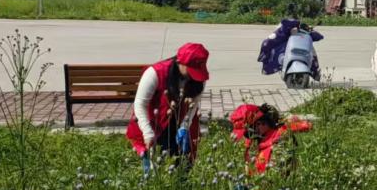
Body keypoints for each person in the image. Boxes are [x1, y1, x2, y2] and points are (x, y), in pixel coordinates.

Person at [126, 42, 210, 170]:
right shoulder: (155, 73)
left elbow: (194, 105)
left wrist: (185, 127)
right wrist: (148, 133)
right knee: (153, 167)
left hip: (179, 122)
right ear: (180, 62)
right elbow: (140, 104)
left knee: (182, 165)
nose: (192, 76)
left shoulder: (198, 79)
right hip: (153, 123)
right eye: (191, 70)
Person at [229, 103, 312, 177]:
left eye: (248, 131)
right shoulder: (257, 138)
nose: (248, 136)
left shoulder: (281, 137)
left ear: (260, 124)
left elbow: (277, 174)